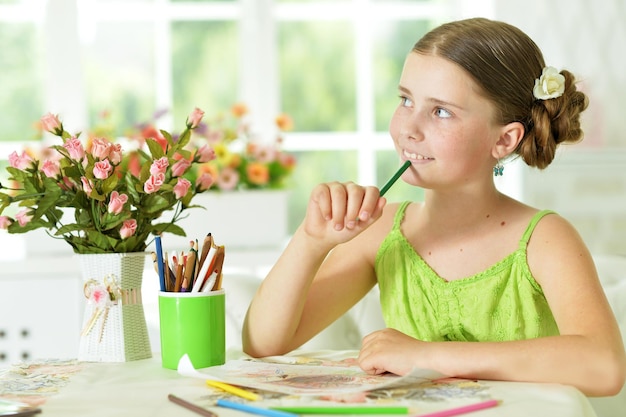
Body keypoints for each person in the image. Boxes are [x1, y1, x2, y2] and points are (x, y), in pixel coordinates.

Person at [242, 17, 626, 397]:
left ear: (505, 139)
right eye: (406, 100)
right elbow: (263, 344)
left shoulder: (544, 240)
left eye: (441, 111)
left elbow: (604, 367)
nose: (409, 127)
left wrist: (429, 356)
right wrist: (310, 241)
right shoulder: (381, 232)